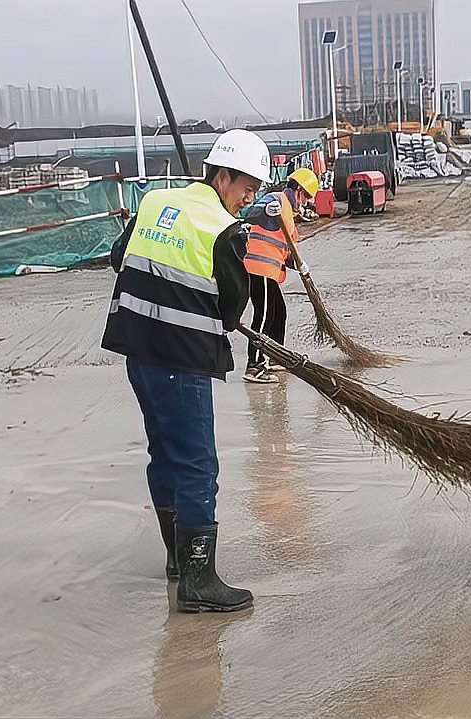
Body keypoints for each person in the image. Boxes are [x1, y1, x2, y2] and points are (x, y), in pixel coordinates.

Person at [102, 128, 270, 613]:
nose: (248, 198)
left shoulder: (155, 202)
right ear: (222, 175)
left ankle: (178, 560)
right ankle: (200, 580)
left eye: (255, 191)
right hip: (182, 358)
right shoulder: (224, 230)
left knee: (165, 453)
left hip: (140, 354)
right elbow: (233, 305)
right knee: (198, 463)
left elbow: (120, 257)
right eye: (245, 187)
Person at [240, 166, 320, 383]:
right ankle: (254, 366)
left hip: (270, 272)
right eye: (306, 198)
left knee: (279, 314)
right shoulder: (275, 200)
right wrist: (266, 211)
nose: (304, 203)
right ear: (300, 191)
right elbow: (249, 214)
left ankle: (276, 357)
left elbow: (285, 252)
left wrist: (300, 265)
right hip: (257, 268)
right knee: (264, 315)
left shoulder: (288, 218)